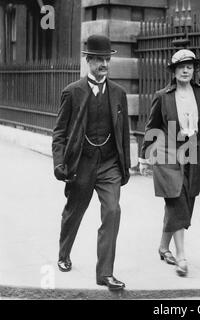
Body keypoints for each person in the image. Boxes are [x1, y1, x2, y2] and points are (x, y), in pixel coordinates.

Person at [52, 34, 131, 290]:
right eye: (98, 59)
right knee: (74, 212)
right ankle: (64, 254)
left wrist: (125, 165)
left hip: (109, 163)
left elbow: (124, 133)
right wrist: (59, 162)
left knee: (112, 211)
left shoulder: (119, 94)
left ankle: (105, 273)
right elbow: (60, 133)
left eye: (107, 59)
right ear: (88, 61)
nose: (104, 64)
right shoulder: (72, 92)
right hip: (82, 163)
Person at [139, 49, 200, 277]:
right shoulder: (163, 96)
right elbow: (151, 127)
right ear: (174, 70)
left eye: (190, 66)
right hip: (167, 153)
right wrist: (143, 156)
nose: (186, 70)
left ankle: (162, 246)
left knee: (185, 202)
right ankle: (181, 257)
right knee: (177, 202)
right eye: (181, 66)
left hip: (192, 154)